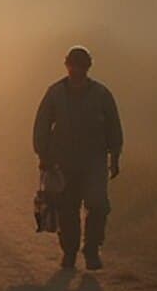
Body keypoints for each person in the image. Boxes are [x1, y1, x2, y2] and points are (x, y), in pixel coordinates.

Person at [31, 45, 123, 271]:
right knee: (67, 209)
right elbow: (42, 125)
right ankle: (69, 253)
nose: (76, 71)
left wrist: (115, 157)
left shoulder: (101, 95)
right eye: (73, 66)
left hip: (94, 162)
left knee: (98, 206)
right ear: (67, 66)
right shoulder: (55, 93)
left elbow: (114, 128)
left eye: (80, 67)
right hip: (63, 163)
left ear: (87, 68)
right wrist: (43, 155)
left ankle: (91, 251)